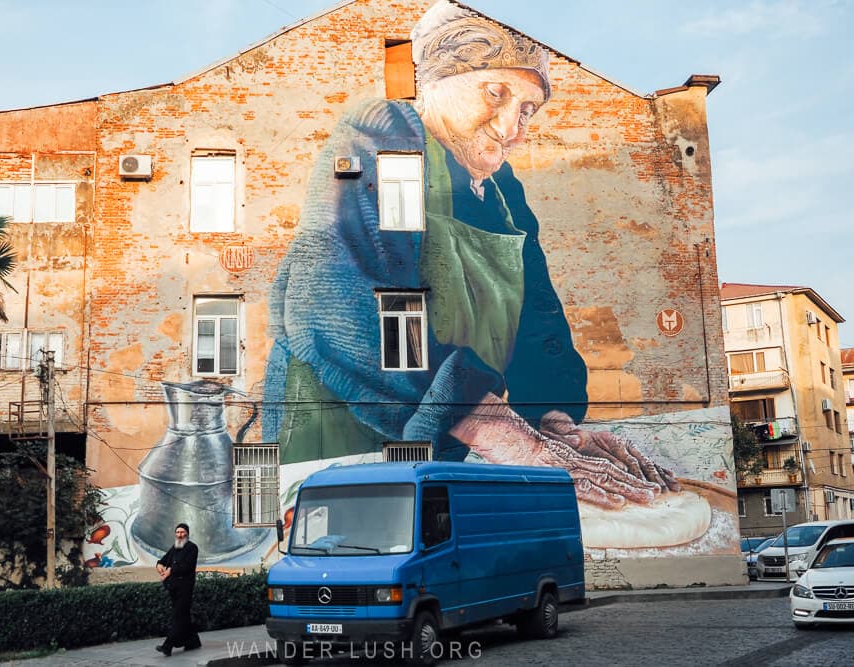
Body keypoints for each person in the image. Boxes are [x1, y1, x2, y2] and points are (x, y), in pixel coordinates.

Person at [262, 0, 678, 510]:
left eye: (527, 109)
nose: (510, 127)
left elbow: (536, 314)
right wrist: (486, 421)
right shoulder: (376, 141)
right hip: (344, 432)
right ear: (436, 84)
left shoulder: (504, 192)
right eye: (495, 93)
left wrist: (550, 417)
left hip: (447, 437)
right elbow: (332, 307)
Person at [155, 523, 201, 656]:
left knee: (178, 616)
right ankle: (193, 641)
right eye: (178, 532)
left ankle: (167, 646)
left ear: (187, 534)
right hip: (174, 589)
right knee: (184, 616)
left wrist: (170, 571)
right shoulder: (174, 548)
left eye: (182, 532)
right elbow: (163, 560)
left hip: (185, 589)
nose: (180, 535)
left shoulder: (192, 548)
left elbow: (187, 567)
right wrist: (159, 565)